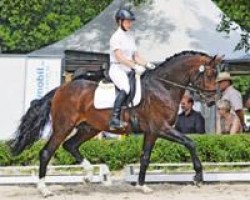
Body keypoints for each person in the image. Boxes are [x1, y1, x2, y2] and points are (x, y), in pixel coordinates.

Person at [108, 8, 156, 130]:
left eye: (131, 22)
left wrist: (147, 64)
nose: (130, 24)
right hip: (117, 69)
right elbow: (120, 57)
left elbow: (136, 56)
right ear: (120, 22)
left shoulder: (130, 36)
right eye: (128, 22)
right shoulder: (115, 37)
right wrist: (134, 66)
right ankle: (114, 118)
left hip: (129, 69)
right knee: (126, 87)